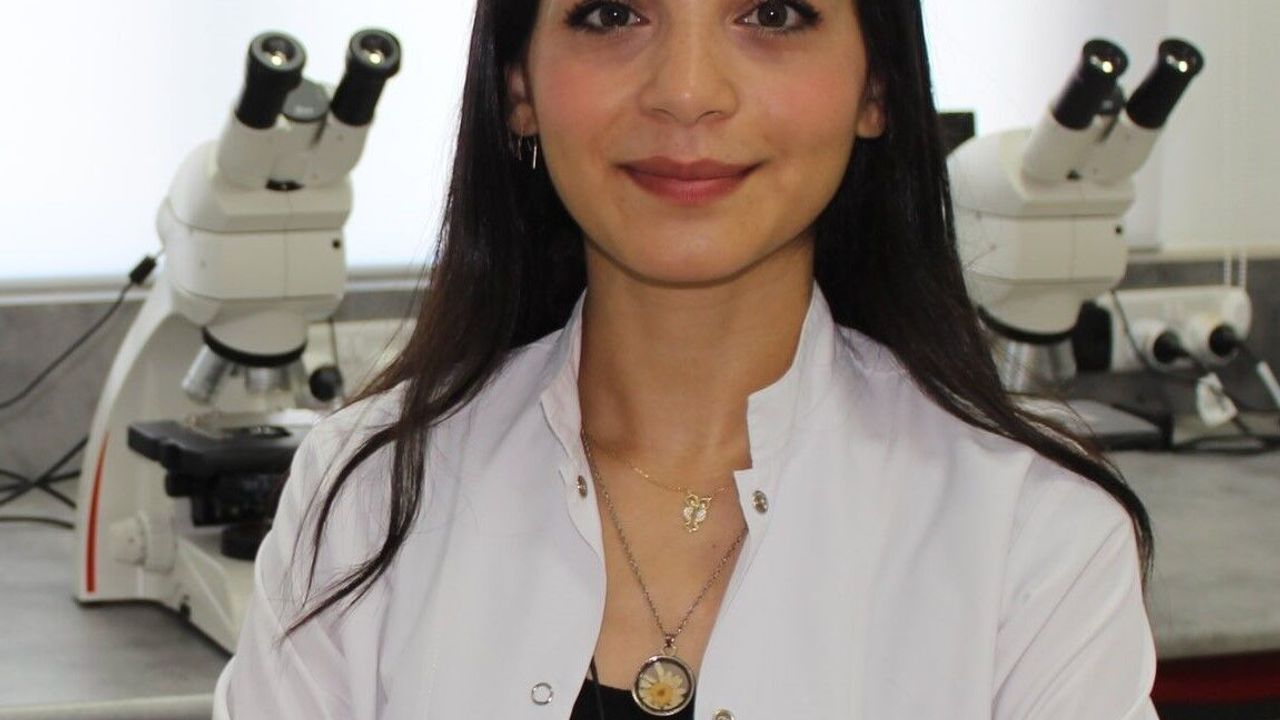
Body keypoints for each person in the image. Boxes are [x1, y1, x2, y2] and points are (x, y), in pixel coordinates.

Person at [213, 0, 1160, 718]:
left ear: (877, 88)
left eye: (773, 14)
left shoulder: (1033, 529)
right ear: (519, 89)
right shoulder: (369, 491)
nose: (687, 91)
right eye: (612, 14)